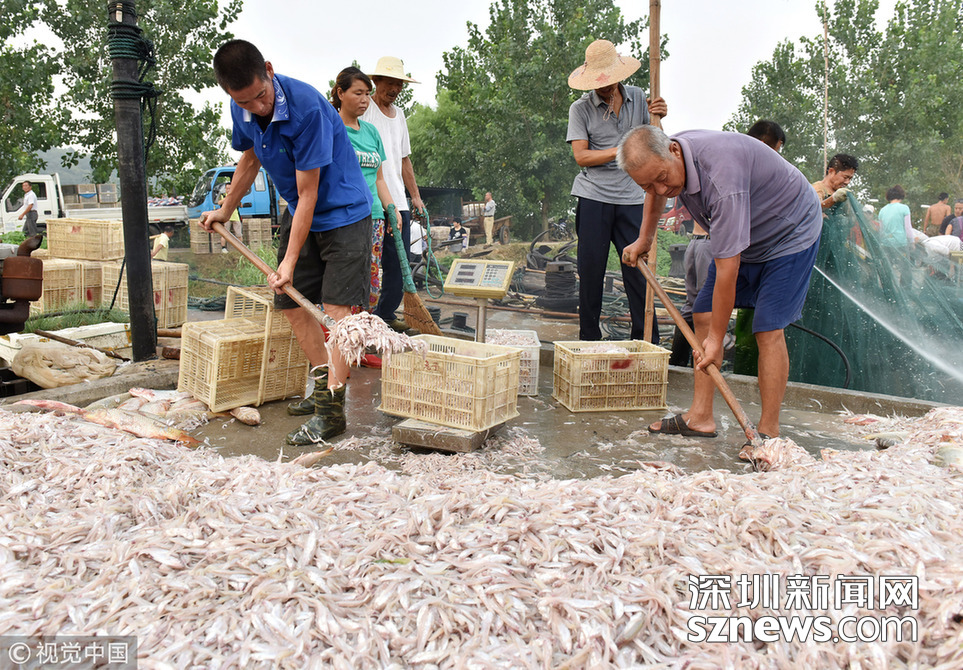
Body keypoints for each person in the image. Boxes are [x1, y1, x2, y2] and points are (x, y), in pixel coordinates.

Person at [202, 40, 372, 446]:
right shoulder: (242, 107)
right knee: (292, 305)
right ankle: (322, 387)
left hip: (344, 214)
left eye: (261, 96)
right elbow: (249, 159)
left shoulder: (307, 107)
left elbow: (309, 191)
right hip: (300, 211)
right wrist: (225, 209)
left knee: (336, 313)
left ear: (269, 70)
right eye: (244, 101)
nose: (257, 107)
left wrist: (289, 261)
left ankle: (332, 412)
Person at [618, 126, 822, 447]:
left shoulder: (721, 177)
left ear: (674, 151)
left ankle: (768, 433)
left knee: (767, 327)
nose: (661, 189)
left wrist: (716, 340)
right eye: (647, 184)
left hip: (789, 232)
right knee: (703, 313)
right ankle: (701, 417)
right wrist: (645, 238)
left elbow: (728, 269)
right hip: (748, 231)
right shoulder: (666, 163)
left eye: (662, 178)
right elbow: (655, 192)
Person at [566, 38, 667, 343]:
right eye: (599, 83)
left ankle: (646, 341)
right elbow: (582, 156)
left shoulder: (638, 97)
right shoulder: (580, 109)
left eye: (609, 80)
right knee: (591, 274)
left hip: (632, 197)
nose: (605, 87)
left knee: (638, 272)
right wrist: (623, 149)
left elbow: (657, 143)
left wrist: (659, 117)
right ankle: (589, 343)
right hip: (594, 197)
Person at [330, 66, 398, 328]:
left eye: (367, 94)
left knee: (372, 280)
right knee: (346, 279)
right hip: (345, 218)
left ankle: (363, 332)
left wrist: (391, 208)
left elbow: (379, 178)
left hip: (375, 217)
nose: (364, 100)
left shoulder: (371, 132)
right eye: (357, 93)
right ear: (340, 93)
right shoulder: (332, 130)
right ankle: (341, 332)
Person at [362, 56, 425, 333]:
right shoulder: (365, 110)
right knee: (372, 263)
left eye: (399, 84)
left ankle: (386, 314)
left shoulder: (399, 115)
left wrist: (416, 197)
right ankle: (365, 318)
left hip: (398, 199)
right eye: (390, 83)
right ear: (376, 82)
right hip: (374, 201)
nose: (395, 89)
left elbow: (404, 159)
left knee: (399, 263)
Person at [218, 183, 243, 253]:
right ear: (225, 189)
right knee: (225, 233)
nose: (228, 190)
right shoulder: (222, 195)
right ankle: (223, 248)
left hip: (236, 217)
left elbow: (241, 205)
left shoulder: (236, 196)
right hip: (226, 217)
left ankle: (240, 248)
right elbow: (219, 203)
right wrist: (227, 198)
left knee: (239, 234)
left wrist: (237, 200)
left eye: (230, 188)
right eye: (227, 188)